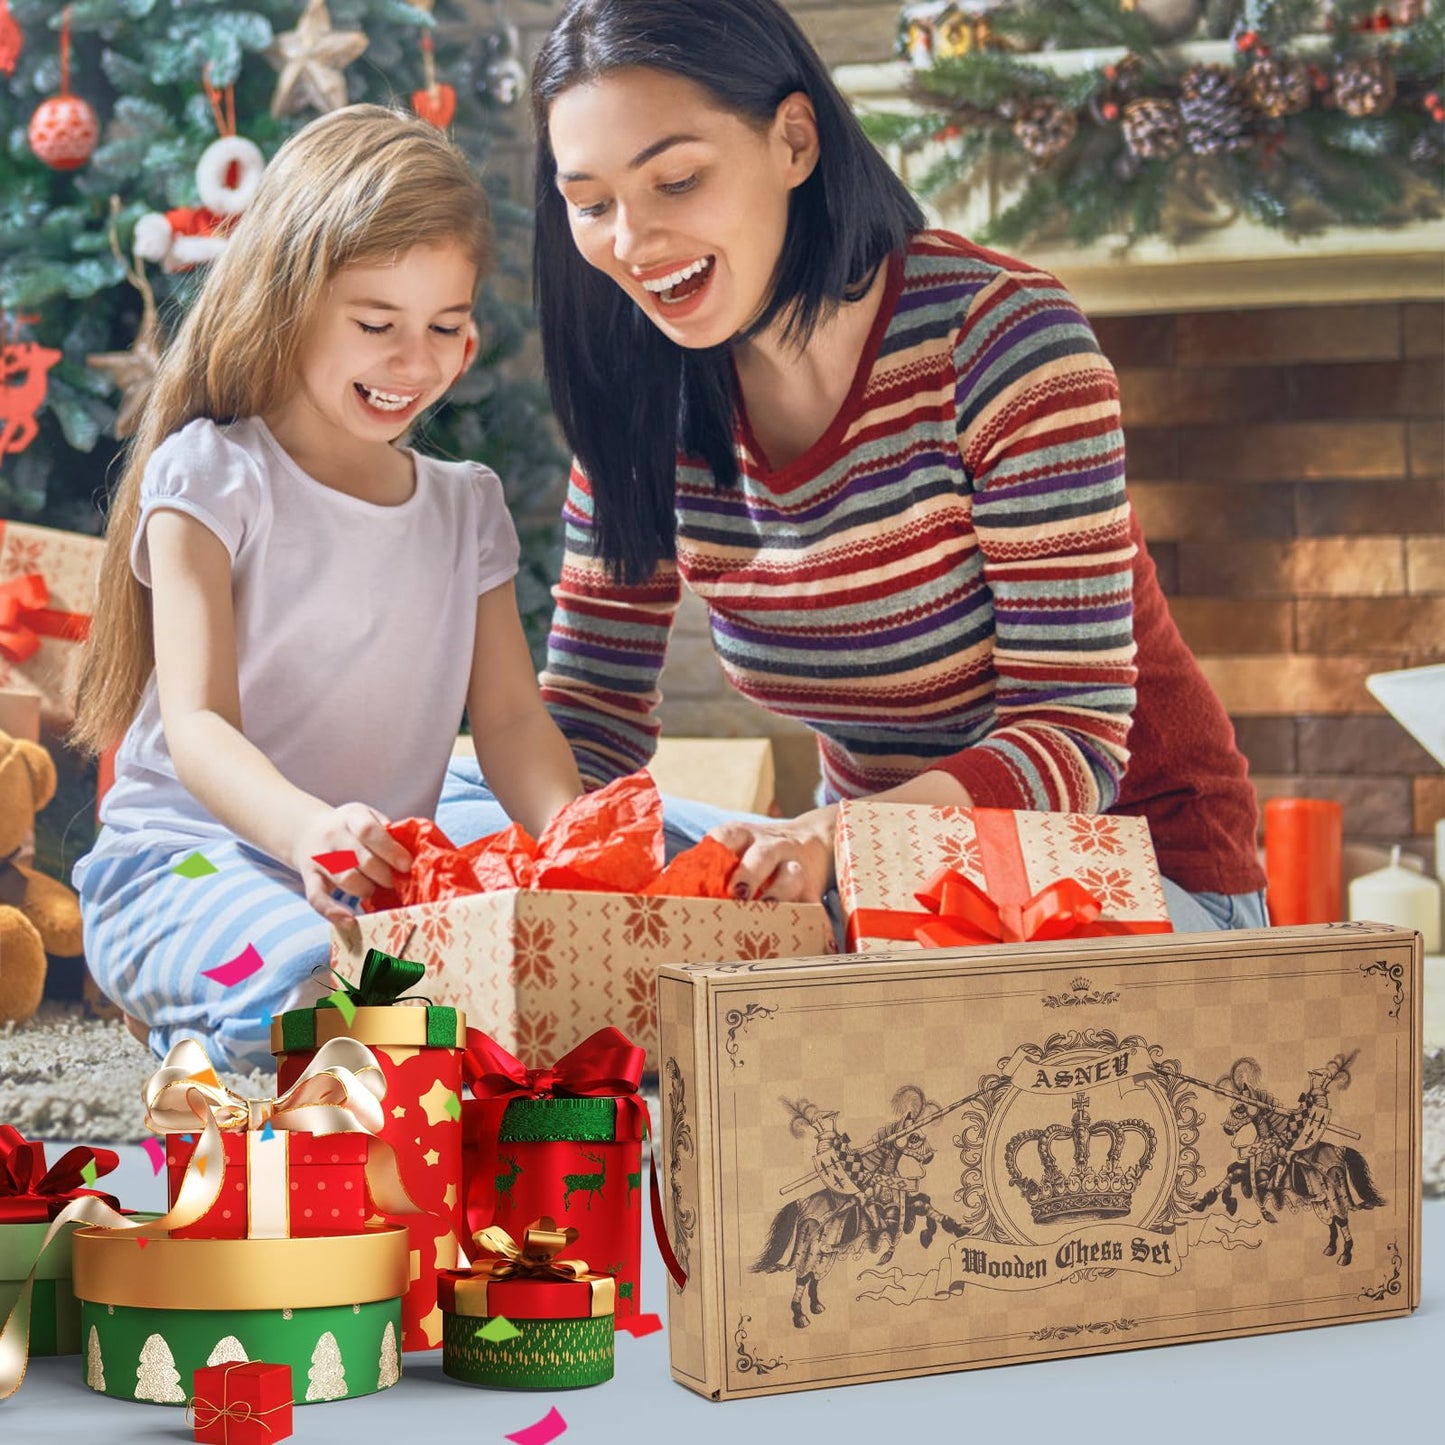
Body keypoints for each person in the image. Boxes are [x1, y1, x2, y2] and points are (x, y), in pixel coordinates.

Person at [452, 0, 1266, 936]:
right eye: (592, 205)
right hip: (859, 881)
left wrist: (838, 837)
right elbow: (590, 724)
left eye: (675, 179)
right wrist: (556, 867)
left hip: (1118, 873)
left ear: (794, 141)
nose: (630, 243)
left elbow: (1072, 737)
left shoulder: (1001, 342)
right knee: (469, 798)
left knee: (888, 969)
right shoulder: (646, 398)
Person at [70, 106, 583, 1072]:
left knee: (442, 986)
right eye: (376, 323)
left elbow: (512, 722)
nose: (414, 361)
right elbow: (199, 725)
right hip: (182, 862)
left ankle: (231, 1015)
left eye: (445, 326)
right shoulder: (213, 477)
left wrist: (575, 855)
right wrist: (306, 830)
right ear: (288, 303)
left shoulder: (466, 507)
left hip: (364, 878)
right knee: (321, 979)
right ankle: (202, 1026)